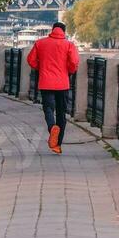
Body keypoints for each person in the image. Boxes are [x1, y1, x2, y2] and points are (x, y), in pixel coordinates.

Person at [26, 22, 79, 154]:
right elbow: (73, 62)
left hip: (46, 82)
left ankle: (51, 127)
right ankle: (57, 145)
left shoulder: (40, 43)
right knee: (61, 113)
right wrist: (69, 72)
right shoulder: (69, 45)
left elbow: (31, 60)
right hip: (63, 84)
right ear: (64, 31)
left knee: (48, 108)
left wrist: (41, 67)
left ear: (53, 29)